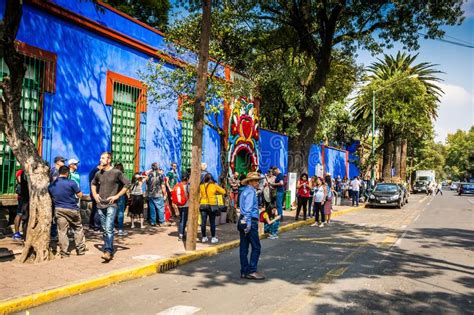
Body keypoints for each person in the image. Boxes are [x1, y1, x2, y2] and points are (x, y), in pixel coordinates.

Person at [91, 152, 130, 262]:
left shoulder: (116, 172)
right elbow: (93, 184)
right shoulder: (99, 173)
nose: (101, 160)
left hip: (111, 205)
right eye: (100, 158)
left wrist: (117, 196)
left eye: (103, 158)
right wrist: (95, 195)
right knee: (104, 229)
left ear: (109, 160)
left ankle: (108, 251)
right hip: (100, 204)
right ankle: (108, 247)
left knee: (108, 227)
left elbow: (127, 183)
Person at [48, 166, 86, 258]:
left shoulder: (51, 185)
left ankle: (64, 252)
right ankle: (80, 250)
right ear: (67, 173)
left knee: (62, 231)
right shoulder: (72, 183)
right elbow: (80, 195)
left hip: (59, 209)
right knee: (78, 228)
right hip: (72, 209)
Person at [238, 172, 265, 280]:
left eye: (258, 180)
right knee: (256, 247)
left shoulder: (244, 191)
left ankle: (244, 271)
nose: (257, 182)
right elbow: (248, 209)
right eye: (255, 180)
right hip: (249, 220)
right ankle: (252, 270)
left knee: (244, 248)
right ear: (250, 181)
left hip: (242, 220)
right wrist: (248, 223)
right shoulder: (251, 192)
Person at [199, 173, 226, 243]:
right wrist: (216, 192)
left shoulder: (201, 186)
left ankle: (204, 237)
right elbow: (223, 191)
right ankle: (213, 238)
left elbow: (199, 196)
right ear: (211, 179)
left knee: (203, 222)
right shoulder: (214, 186)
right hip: (212, 205)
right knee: (212, 222)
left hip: (203, 204)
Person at [12, 169, 29, 241]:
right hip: (22, 197)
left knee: (25, 215)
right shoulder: (21, 171)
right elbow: (20, 181)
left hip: (27, 196)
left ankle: (24, 233)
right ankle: (16, 233)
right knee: (19, 214)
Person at [113, 163, 128, 236]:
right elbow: (128, 184)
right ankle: (120, 229)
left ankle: (111, 228)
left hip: (112, 196)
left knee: (112, 212)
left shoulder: (112, 175)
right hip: (120, 196)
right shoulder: (122, 176)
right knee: (120, 213)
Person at [174, 173, 190, 240]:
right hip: (185, 205)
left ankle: (182, 233)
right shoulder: (187, 186)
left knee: (181, 219)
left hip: (179, 205)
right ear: (187, 179)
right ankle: (181, 235)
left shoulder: (178, 185)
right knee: (183, 220)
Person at [88, 163, 102, 231]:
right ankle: (96, 227)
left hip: (93, 193)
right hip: (96, 193)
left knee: (94, 209)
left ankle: (92, 225)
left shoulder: (93, 171)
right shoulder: (96, 172)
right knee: (97, 210)